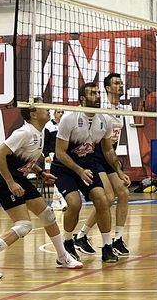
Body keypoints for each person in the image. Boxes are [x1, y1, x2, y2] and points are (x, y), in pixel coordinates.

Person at [0, 102, 82, 279]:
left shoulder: (39, 132)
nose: (47, 109)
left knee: (48, 216)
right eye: (43, 107)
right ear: (33, 114)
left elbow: (26, 159)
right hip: (4, 181)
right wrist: (11, 183)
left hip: (19, 178)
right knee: (24, 225)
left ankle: (62, 257)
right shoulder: (24, 132)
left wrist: (41, 173)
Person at [51, 82, 128, 264]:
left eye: (97, 92)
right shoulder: (69, 119)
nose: (98, 96)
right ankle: (68, 241)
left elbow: (108, 151)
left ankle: (108, 246)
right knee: (75, 204)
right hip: (65, 169)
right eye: (93, 93)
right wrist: (79, 170)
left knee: (103, 200)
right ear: (83, 99)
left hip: (88, 166)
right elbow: (60, 153)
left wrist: (118, 171)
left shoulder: (105, 120)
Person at [74, 73, 132, 257]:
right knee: (106, 199)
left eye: (121, 82)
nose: (121, 85)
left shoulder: (119, 109)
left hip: (109, 154)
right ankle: (82, 236)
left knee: (123, 193)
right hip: (95, 155)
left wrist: (118, 169)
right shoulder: (100, 106)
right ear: (108, 88)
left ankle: (118, 238)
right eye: (116, 83)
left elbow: (112, 143)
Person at [43, 109, 67, 211]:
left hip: (62, 154)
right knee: (56, 177)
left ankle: (56, 202)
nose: (60, 114)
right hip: (52, 155)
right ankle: (62, 201)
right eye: (58, 112)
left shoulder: (65, 125)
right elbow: (45, 142)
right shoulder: (49, 125)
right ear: (54, 113)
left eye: (62, 112)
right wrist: (46, 155)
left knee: (61, 176)